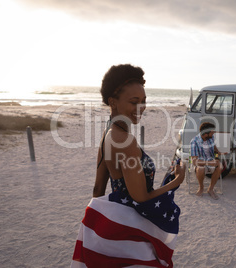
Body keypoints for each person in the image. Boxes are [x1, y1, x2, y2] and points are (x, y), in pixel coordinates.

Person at [72, 64, 185, 267]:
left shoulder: (107, 135)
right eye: (134, 102)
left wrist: (96, 229)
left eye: (143, 101)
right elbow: (141, 197)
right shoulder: (126, 142)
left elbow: (98, 189)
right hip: (134, 225)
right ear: (112, 102)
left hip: (118, 221)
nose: (141, 108)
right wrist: (177, 180)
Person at [190, 122, 223, 200]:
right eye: (212, 132)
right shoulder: (194, 141)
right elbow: (195, 161)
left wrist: (218, 152)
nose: (213, 133)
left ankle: (210, 189)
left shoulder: (210, 138)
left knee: (220, 166)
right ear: (206, 133)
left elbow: (214, 146)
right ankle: (201, 187)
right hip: (200, 162)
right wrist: (209, 163)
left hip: (210, 160)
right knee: (201, 168)